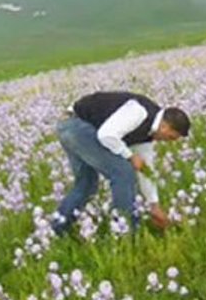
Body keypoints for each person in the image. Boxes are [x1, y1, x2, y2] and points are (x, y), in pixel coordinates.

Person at [51, 91, 191, 236]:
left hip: (69, 125)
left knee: (87, 183)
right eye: (170, 137)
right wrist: (130, 156)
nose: (168, 141)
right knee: (123, 173)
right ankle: (125, 232)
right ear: (165, 127)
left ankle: (58, 228)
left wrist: (153, 205)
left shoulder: (148, 135)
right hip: (77, 126)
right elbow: (106, 135)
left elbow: (145, 169)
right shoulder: (139, 112)